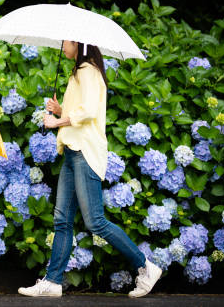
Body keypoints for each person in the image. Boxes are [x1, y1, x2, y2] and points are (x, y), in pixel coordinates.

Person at [18, 41, 162, 298]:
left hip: (84, 152)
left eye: (66, 41)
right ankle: (52, 282)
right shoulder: (79, 71)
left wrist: (56, 121)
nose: (62, 46)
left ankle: (146, 267)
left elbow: (90, 111)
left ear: (79, 43)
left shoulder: (88, 70)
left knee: (95, 220)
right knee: (62, 219)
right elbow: (81, 112)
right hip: (74, 150)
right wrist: (61, 110)